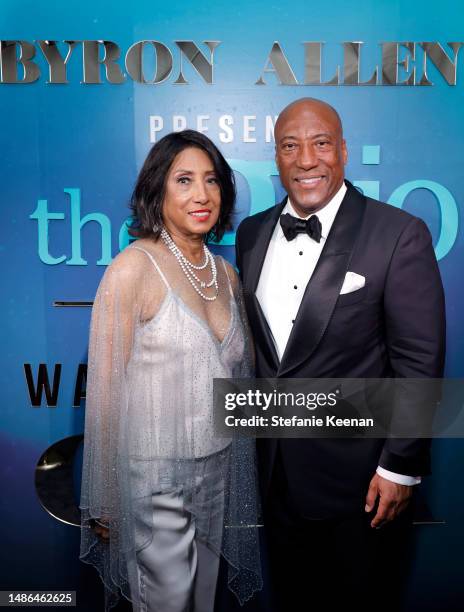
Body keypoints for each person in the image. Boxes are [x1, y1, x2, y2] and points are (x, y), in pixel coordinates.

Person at [235, 98, 445, 611]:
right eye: (290, 146)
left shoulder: (397, 233)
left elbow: (420, 360)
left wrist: (400, 468)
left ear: (344, 151)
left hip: (364, 486)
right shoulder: (252, 233)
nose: (306, 159)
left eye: (321, 143)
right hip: (275, 476)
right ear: (277, 159)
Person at [79, 130, 261, 612]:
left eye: (212, 181)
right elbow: (104, 395)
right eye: (184, 180)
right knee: (166, 602)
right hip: (153, 481)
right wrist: (105, 499)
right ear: (157, 190)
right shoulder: (132, 269)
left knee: (201, 602)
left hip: (217, 472)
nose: (202, 195)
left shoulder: (226, 275)